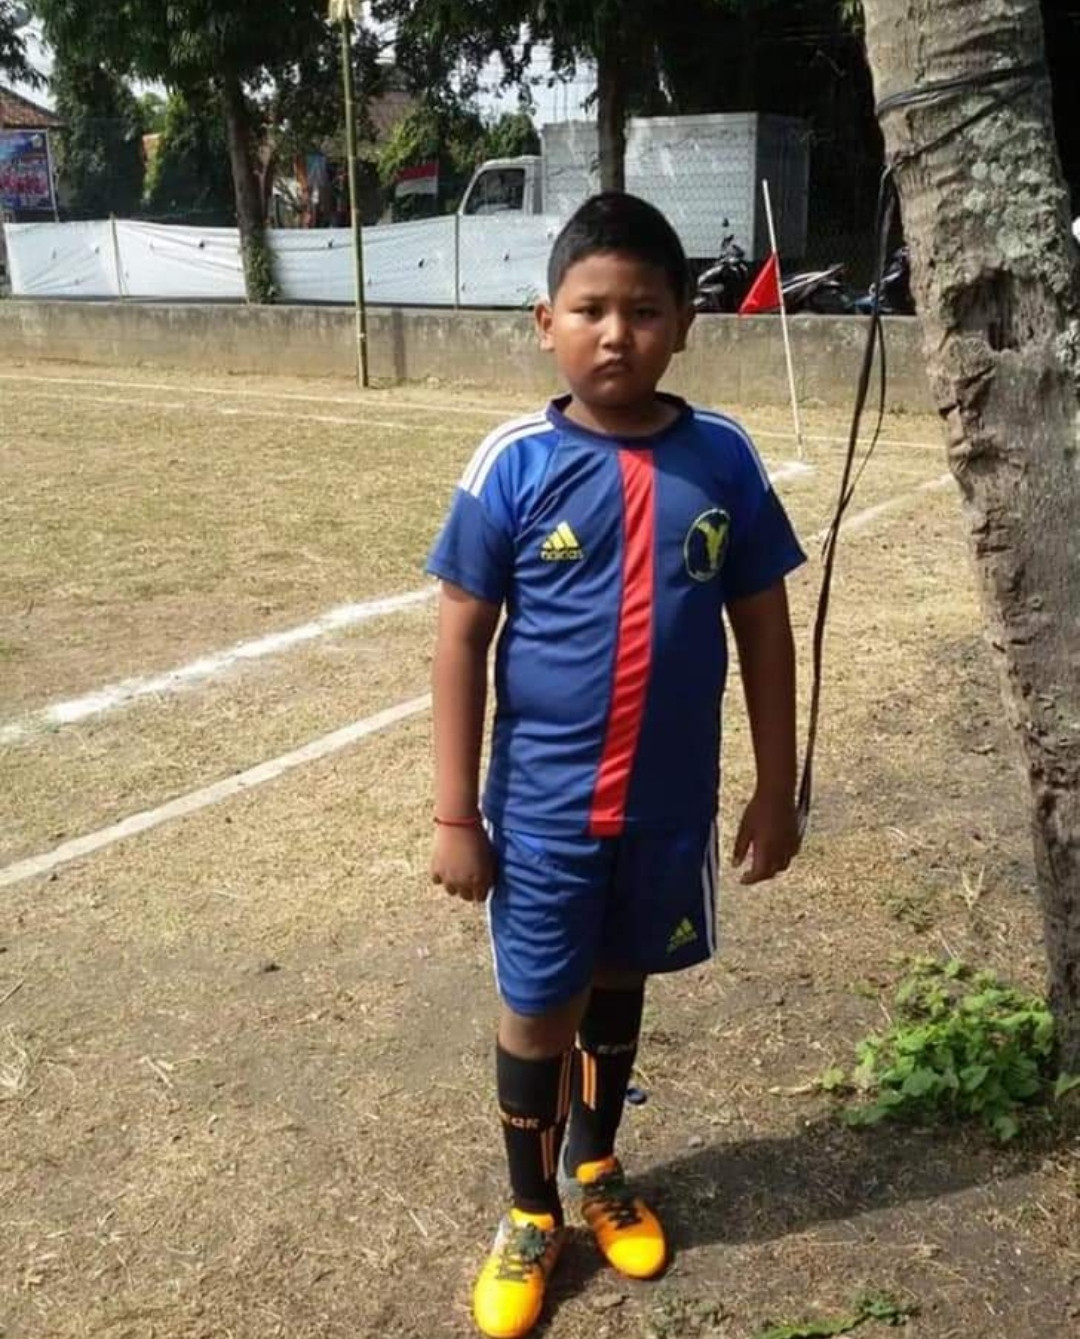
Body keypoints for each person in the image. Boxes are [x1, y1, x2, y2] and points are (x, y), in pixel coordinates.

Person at [426, 192, 805, 1339]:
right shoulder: (513, 463)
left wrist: (775, 786)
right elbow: (459, 637)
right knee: (540, 1004)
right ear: (546, 321)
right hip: (545, 815)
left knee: (623, 980)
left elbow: (765, 628)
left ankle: (597, 1166)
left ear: (685, 322)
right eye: (590, 308)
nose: (616, 334)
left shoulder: (722, 457)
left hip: (667, 809)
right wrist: (455, 815)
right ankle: (530, 1210)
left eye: (643, 310)